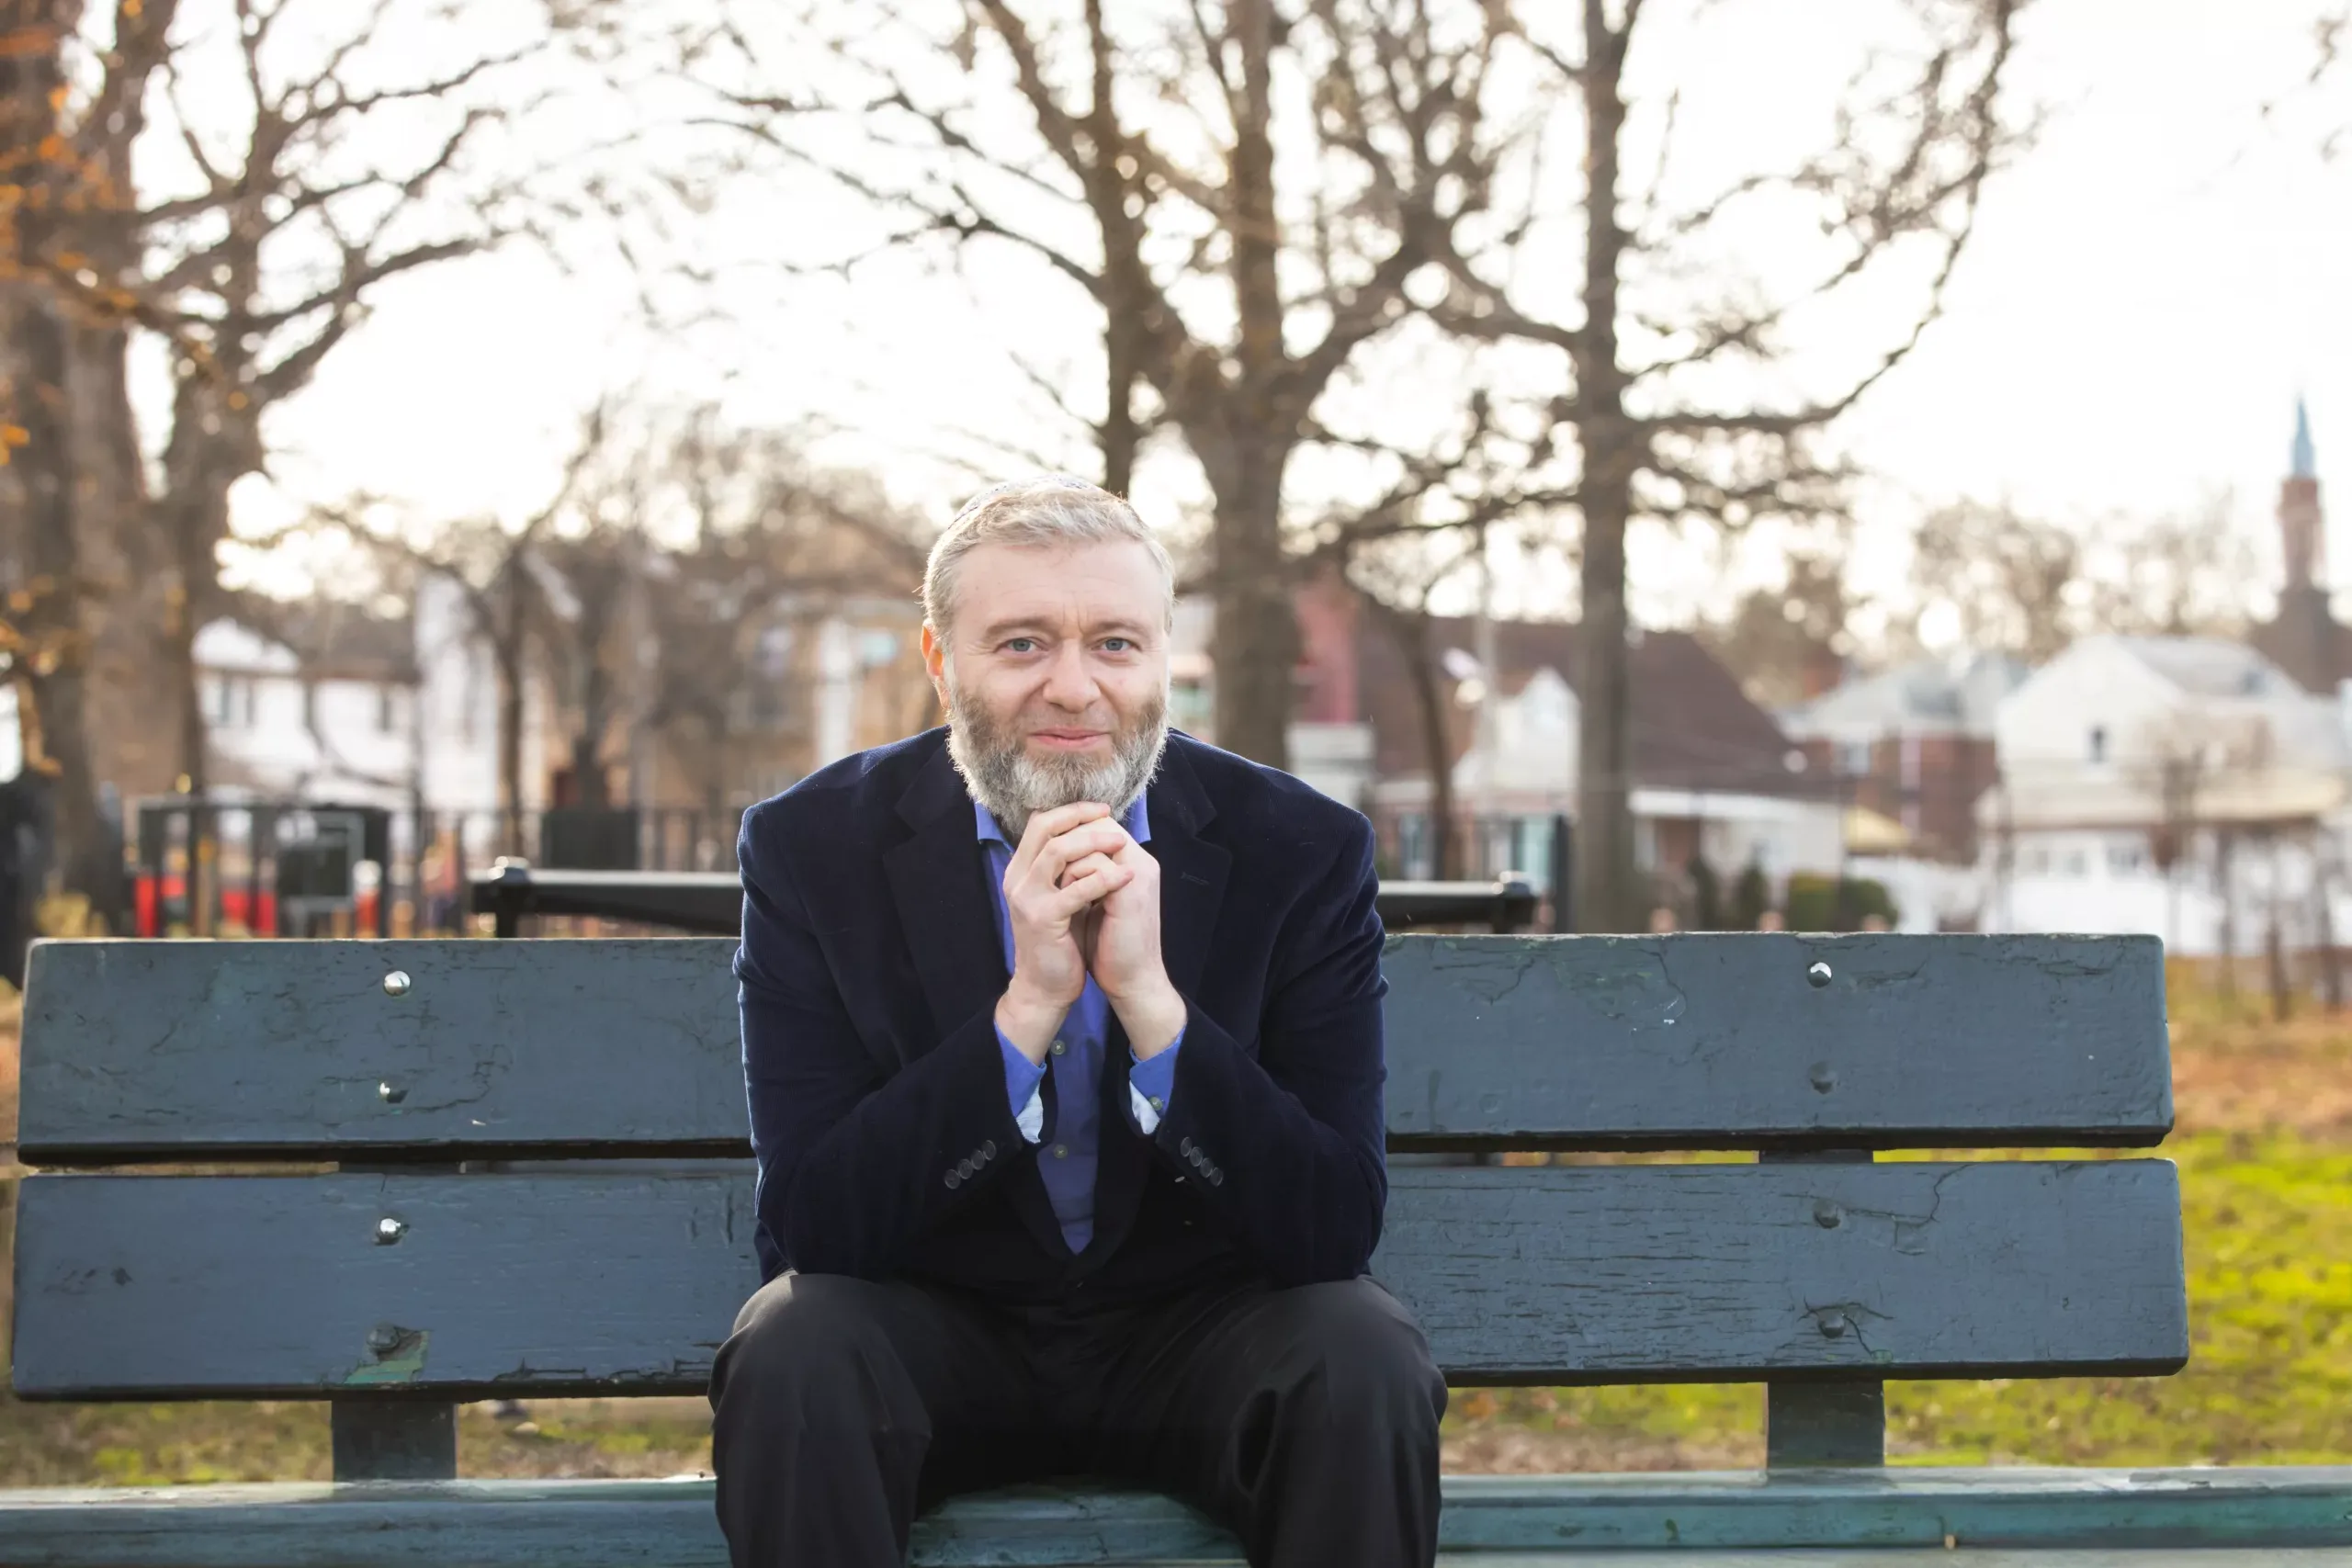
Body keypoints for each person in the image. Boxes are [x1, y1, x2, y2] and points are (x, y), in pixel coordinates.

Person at [710, 477, 1445, 1568]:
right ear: (938, 660)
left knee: (1361, 1352)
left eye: (1113, 643)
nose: (1074, 688)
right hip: (938, 1338)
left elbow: (1331, 1226)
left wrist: (1152, 1006)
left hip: (1197, 1341)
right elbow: (816, 1225)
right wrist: (1028, 1009)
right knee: (794, 1345)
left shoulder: (1300, 847)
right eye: (1019, 645)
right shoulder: (815, 848)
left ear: (1161, 657)